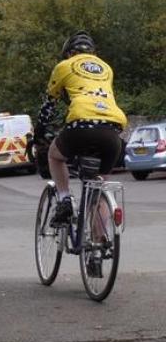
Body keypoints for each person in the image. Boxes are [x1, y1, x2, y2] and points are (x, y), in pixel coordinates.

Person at [33, 30, 127, 228]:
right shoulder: (106, 68)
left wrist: (39, 130)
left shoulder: (64, 66)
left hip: (81, 125)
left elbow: (49, 104)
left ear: (69, 53)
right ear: (92, 52)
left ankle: (65, 199)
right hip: (112, 132)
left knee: (54, 156)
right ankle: (98, 249)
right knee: (98, 189)